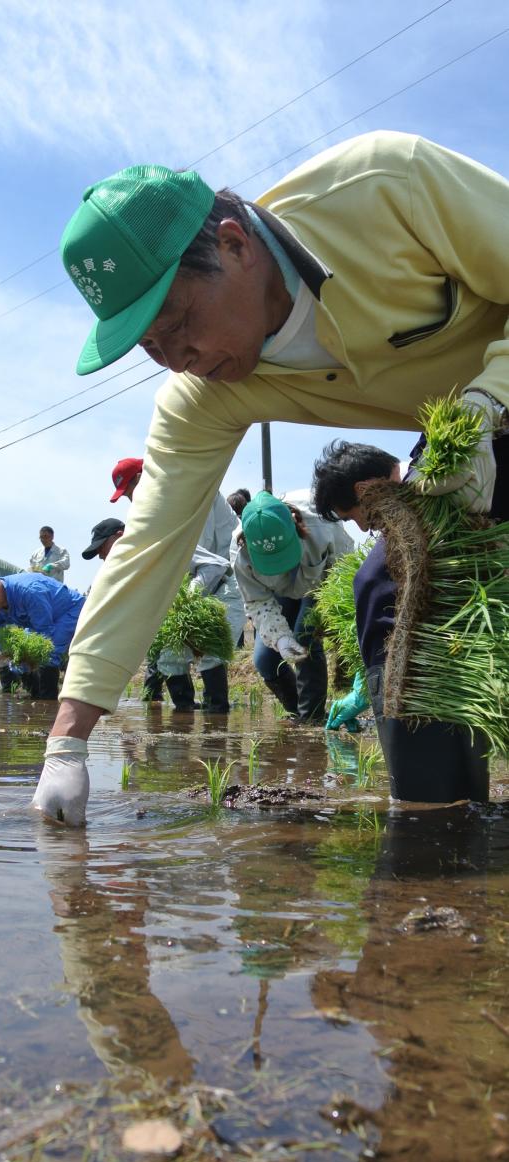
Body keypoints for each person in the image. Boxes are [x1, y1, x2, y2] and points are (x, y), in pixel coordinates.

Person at [33, 130, 509, 825]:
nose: (179, 360)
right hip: (466, 435)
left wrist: (489, 399)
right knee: (392, 588)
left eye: (182, 323)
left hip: (491, 403)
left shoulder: (385, 187)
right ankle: (439, 836)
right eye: (152, 349)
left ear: (234, 244)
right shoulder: (202, 392)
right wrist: (66, 745)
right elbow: (149, 547)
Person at [312, 440, 490, 803]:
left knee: (419, 807)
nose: (362, 529)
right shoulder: (432, 512)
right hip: (448, 674)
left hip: (410, 682)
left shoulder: (414, 525)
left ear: (364, 490)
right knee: (466, 801)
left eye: (352, 516)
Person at [109, 455, 243, 712]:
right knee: (169, 659)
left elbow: (210, 563)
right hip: (204, 580)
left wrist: (186, 600)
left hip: (228, 578)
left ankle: (217, 722)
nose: (131, 500)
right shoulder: (163, 511)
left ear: (142, 479)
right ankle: (184, 720)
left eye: (130, 492)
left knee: (211, 652)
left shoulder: (187, 496)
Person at [235, 491, 353, 721]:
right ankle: (296, 712)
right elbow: (258, 601)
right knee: (264, 659)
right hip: (279, 592)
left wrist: (332, 616)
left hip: (319, 584)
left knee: (304, 635)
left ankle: (312, 718)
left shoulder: (322, 525)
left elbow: (345, 572)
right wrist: (280, 638)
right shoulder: (239, 553)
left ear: (294, 525)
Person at [0, 573, 85, 701]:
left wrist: (31, 657)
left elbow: (44, 633)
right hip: (38, 619)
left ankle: (47, 701)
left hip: (68, 610)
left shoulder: (29, 592)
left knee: (49, 652)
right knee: (19, 658)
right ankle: (33, 697)